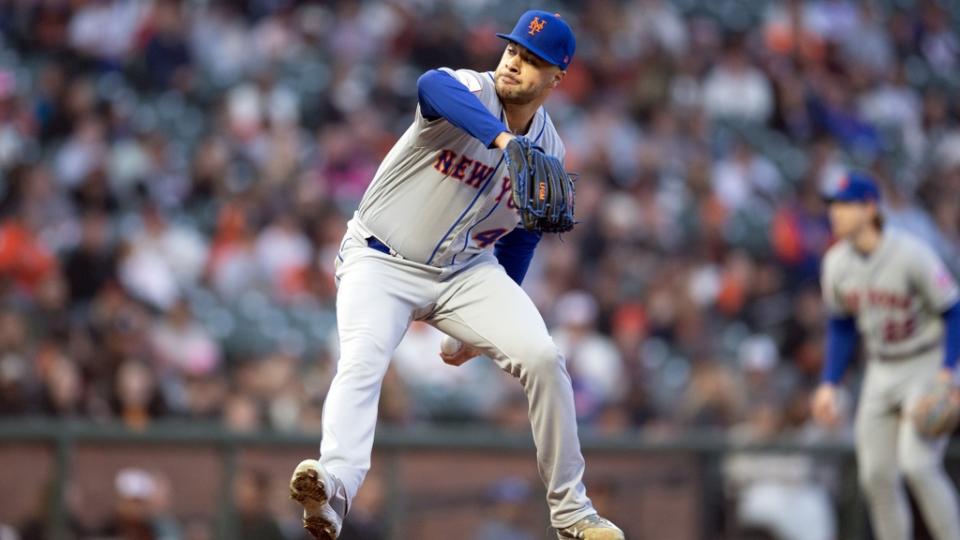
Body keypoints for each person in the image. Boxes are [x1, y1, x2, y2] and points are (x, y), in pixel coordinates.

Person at [288, 9, 623, 540]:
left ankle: (572, 513)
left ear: (557, 78)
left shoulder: (550, 150)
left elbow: (524, 232)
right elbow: (431, 85)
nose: (515, 64)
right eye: (513, 50)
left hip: (466, 272)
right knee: (362, 358)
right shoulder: (468, 89)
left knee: (543, 357)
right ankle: (332, 487)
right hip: (381, 260)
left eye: (532, 61)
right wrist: (504, 142)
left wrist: (482, 329)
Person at [810, 172, 960, 540]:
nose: (836, 213)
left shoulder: (911, 253)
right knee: (874, 474)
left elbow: (953, 310)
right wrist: (830, 381)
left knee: (918, 464)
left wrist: (946, 371)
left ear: (870, 208)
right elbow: (842, 326)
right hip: (881, 366)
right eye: (833, 205)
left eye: (845, 205)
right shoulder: (835, 264)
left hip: (925, 359)